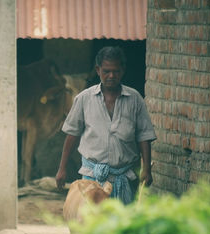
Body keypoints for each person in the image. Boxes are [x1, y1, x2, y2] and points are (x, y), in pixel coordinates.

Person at [55, 46, 156, 204]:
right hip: (91, 179)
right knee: (91, 224)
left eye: (116, 71)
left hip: (125, 177)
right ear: (98, 70)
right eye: (106, 71)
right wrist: (62, 168)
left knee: (123, 225)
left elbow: (144, 136)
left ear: (122, 70)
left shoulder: (134, 99)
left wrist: (146, 170)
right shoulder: (84, 99)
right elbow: (72, 135)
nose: (111, 76)